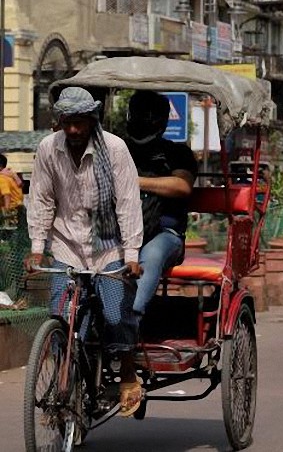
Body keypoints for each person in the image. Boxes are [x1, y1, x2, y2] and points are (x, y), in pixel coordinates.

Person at [25, 86, 144, 415]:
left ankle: (129, 375)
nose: (74, 130)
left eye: (80, 122)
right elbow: (41, 200)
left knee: (114, 313)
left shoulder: (115, 149)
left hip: (107, 245)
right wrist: (37, 249)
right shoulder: (49, 149)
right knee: (61, 319)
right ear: (60, 121)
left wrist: (132, 255)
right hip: (65, 245)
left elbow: (128, 204)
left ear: (92, 120)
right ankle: (67, 386)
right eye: (68, 123)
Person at [124, 90, 197, 319]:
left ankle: (131, 319)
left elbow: (182, 185)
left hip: (165, 234)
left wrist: (135, 182)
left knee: (152, 255)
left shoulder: (178, 152)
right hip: (119, 227)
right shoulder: (119, 148)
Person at [0, 153, 23, 227]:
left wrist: (6, 214)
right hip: (18, 208)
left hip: (10, 210)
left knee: (7, 232)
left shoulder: (2, 178)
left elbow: (7, 195)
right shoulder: (9, 175)